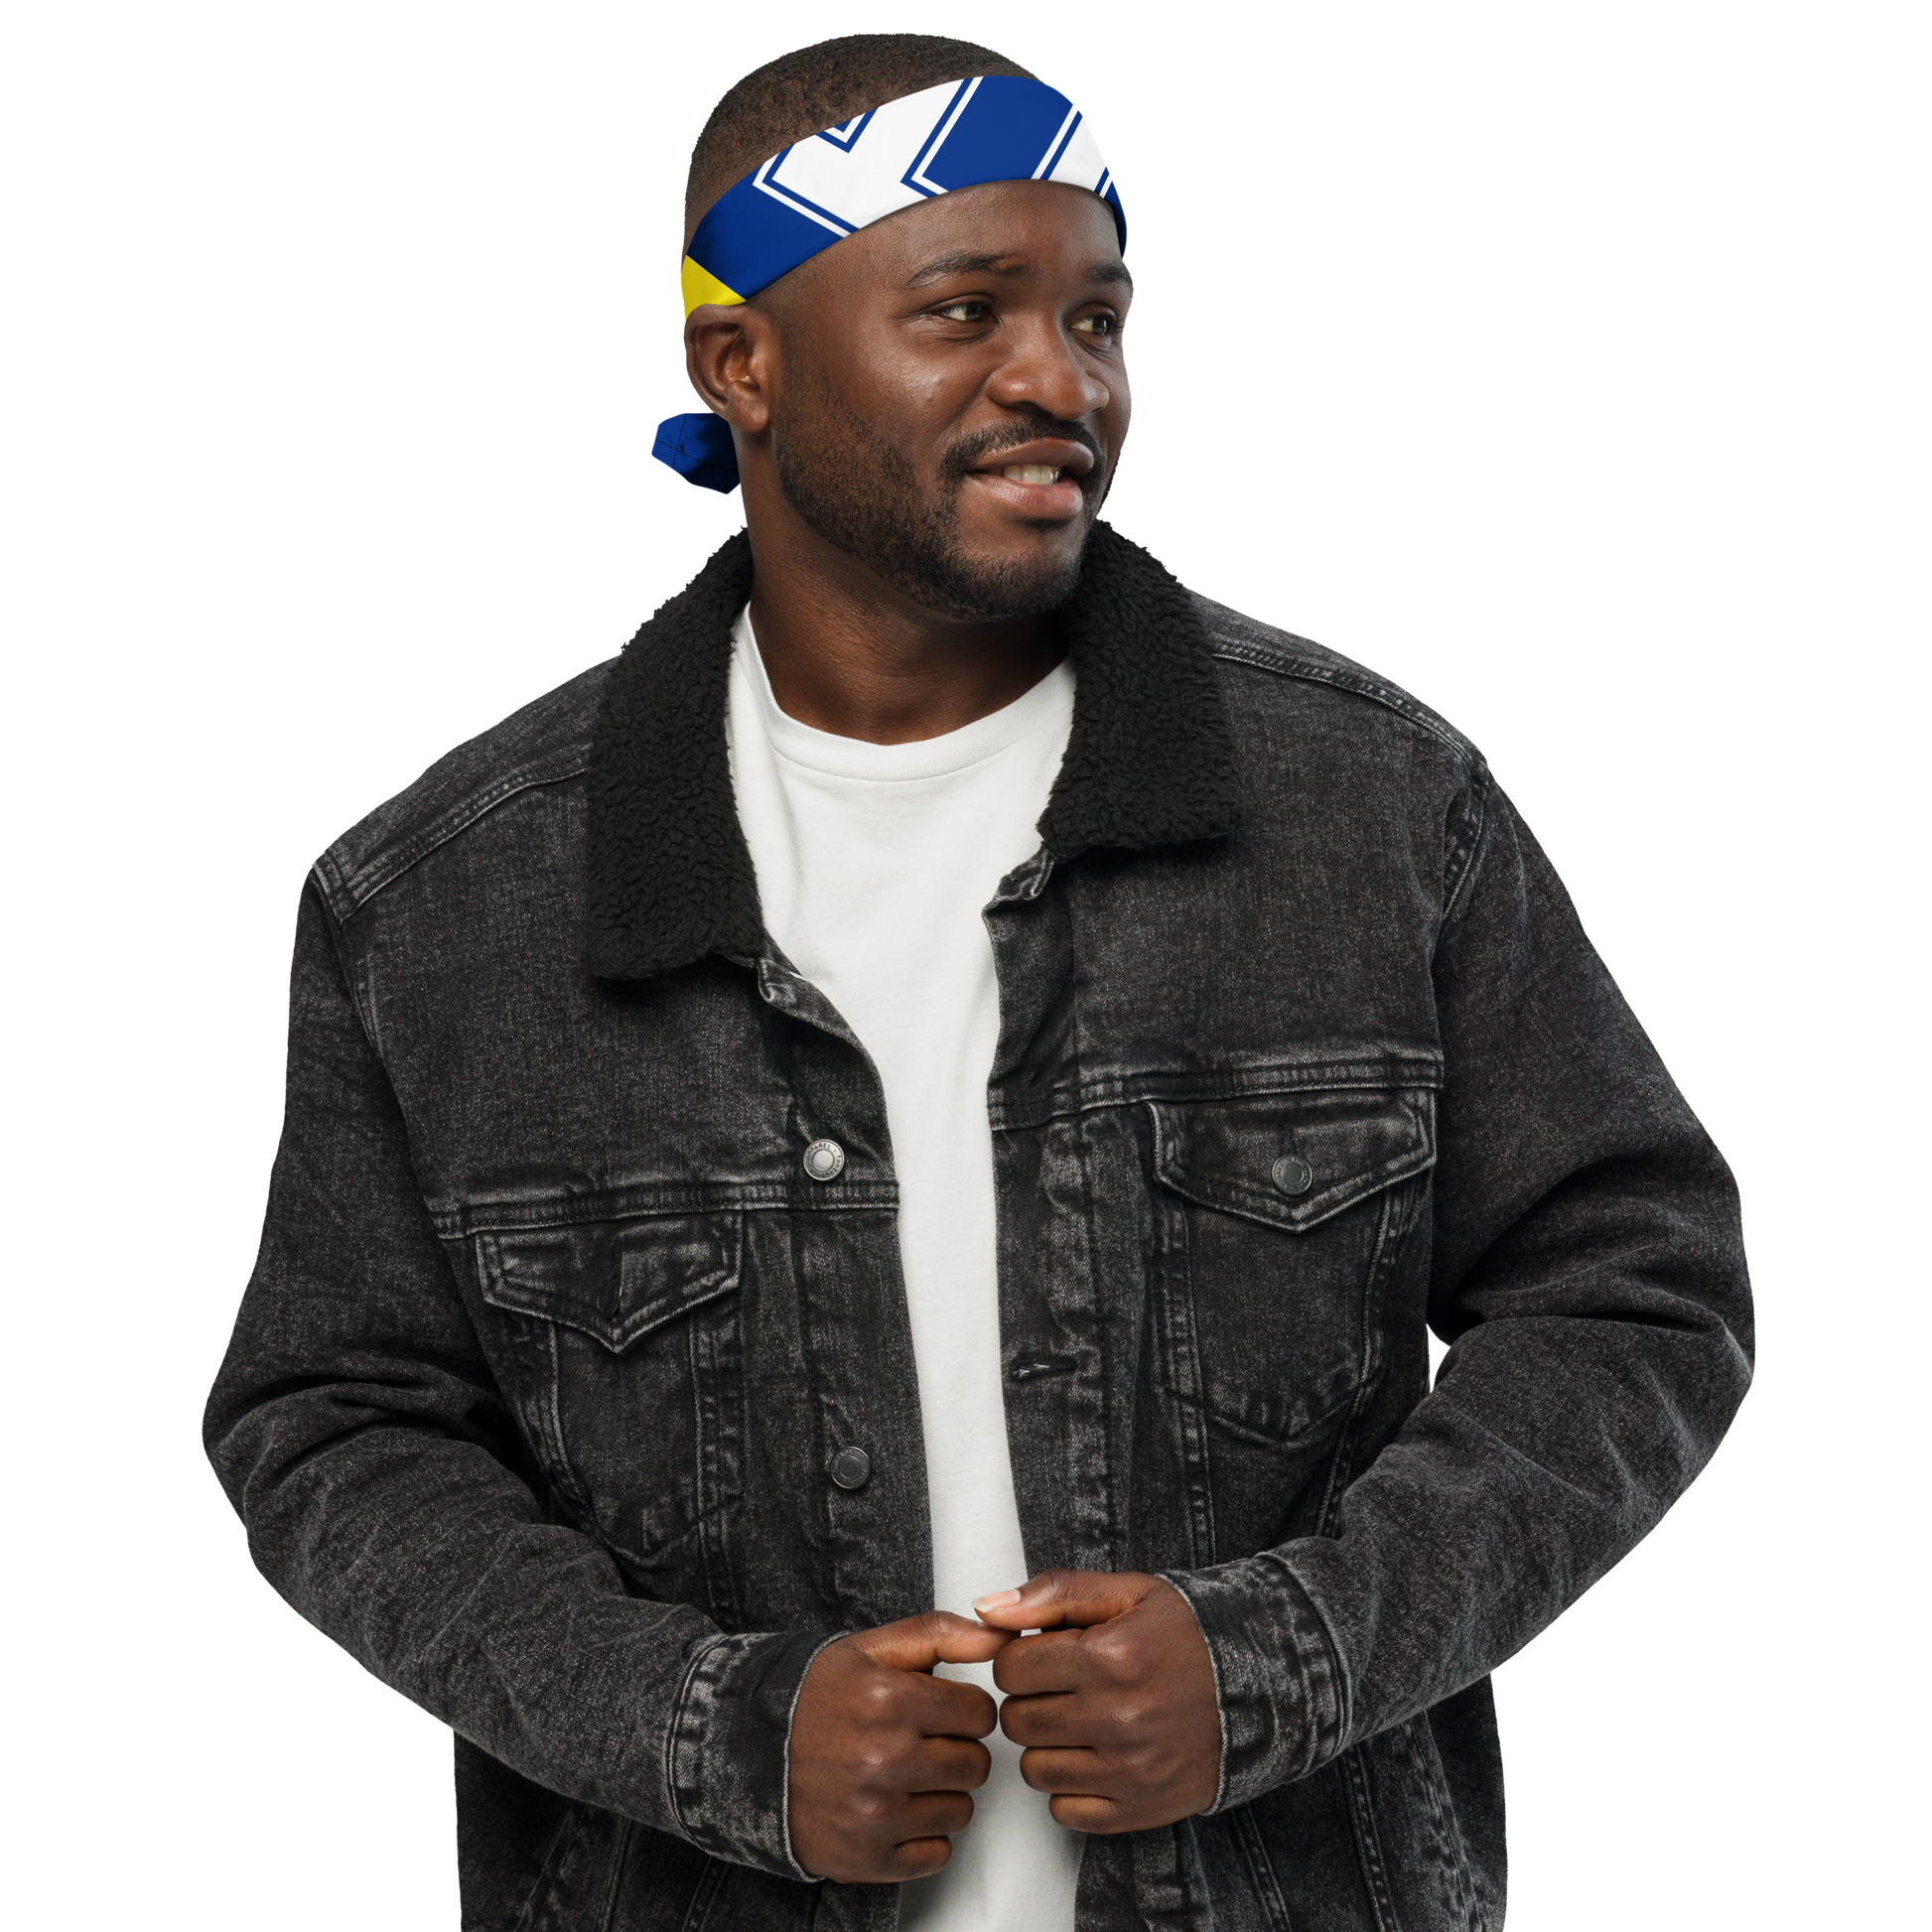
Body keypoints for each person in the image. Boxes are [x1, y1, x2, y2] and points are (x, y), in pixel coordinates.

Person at [202, 30, 1755, 1931]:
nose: (1061, 381)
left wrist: (1290, 1652)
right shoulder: (443, 901)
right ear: (739, 363)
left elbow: (1638, 1288)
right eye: (964, 312)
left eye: (1099, 321)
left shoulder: (1379, 804)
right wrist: (705, 1728)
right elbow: (331, 1429)